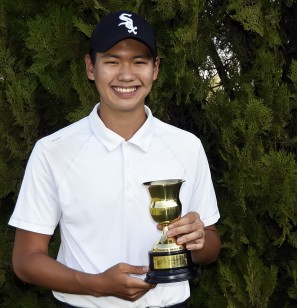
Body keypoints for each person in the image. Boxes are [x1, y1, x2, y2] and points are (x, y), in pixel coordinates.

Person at [9, 10, 221, 308]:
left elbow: (210, 245)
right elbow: (26, 260)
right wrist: (96, 285)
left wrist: (198, 240)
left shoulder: (186, 146)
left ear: (155, 68)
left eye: (139, 61)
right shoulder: (53, 150)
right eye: (112, 61)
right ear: (90, 67)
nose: (126, 75)